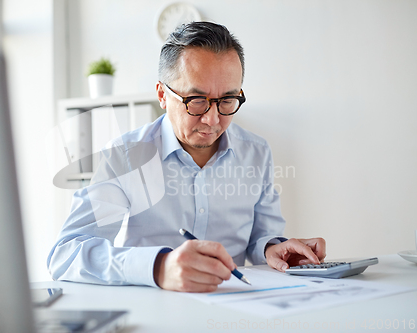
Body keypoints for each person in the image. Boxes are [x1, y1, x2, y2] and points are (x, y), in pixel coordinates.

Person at [47, 22, 326, 293]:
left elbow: (260, 237)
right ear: (162, 95)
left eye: (227, 100)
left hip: (234, 308)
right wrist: (158, 267)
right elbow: (66, 254)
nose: (212, 119)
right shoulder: (125, 157)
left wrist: (271, 248)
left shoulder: (256, 152)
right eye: (196, 100)